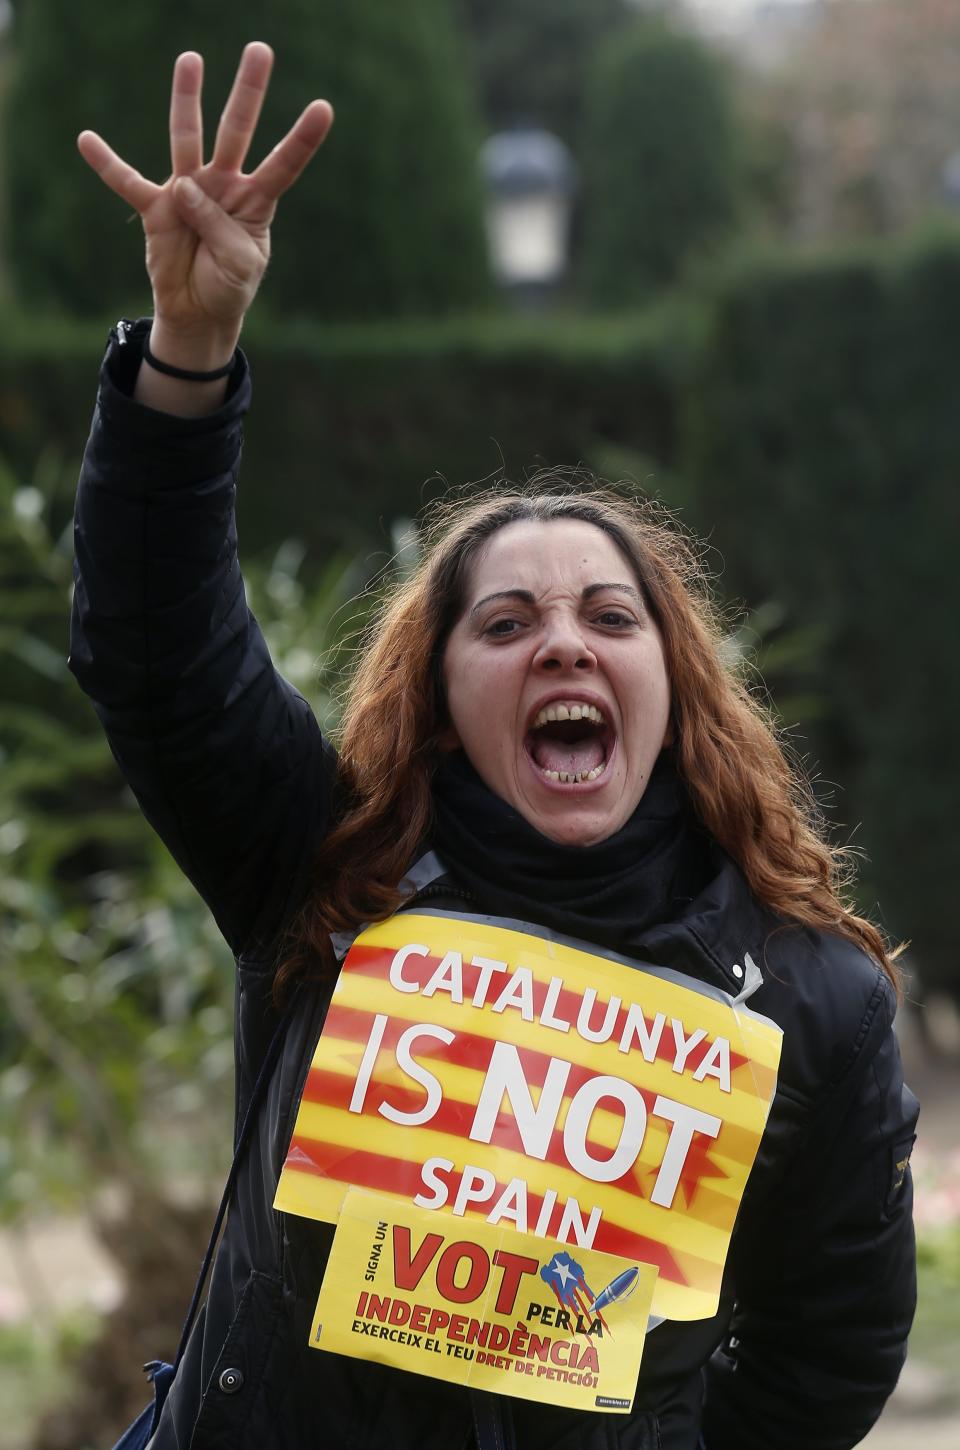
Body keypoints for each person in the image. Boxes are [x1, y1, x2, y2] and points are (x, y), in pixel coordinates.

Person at [71, 43, 918, 1450]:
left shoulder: (813, 1000)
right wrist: (188, 355)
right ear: (442, 692)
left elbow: (831, 1351)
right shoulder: (326, 870)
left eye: (607, 615)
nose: (563, 644)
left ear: (673, 680)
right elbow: (162, 657)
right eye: (507, 621)